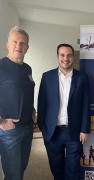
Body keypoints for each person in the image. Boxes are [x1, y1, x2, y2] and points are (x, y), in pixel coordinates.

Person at [37, 43, 91, 180]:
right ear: (57, 57)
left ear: (73, 57)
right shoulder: (47, 77)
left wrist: (84, 129)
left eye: (69, 55)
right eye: (62, 55)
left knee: (73, 170)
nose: (65, 58)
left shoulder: (82, 78)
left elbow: (86, 104)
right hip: (52, 132)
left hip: (74, 131)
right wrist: (43, 129)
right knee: (57, 169)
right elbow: (41, 103)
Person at [0, 26, 35, 180]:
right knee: (13, 175)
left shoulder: (27, 68)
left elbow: (25, 92)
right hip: (10, 131)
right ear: (7, 44)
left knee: (21, 169)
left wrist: (33, 109)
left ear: (27, 48)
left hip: (27, 128)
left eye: (22, 43)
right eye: (15, 42)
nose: (18, 46)